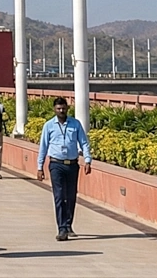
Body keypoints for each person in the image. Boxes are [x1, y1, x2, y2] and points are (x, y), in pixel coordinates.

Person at [36, 96, 92, 241]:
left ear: (67, 108)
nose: (61, 111)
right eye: (58, 109)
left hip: (72, 164)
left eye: (63, 108)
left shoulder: (75, 124)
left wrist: (87, 160)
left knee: (71, 196)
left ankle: (68, 225)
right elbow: (43, 146)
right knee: (59, 196)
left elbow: (84, 143)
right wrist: (39, 167)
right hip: (56, 164)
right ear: (54, 110)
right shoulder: (49, 126)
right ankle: (61, 228)